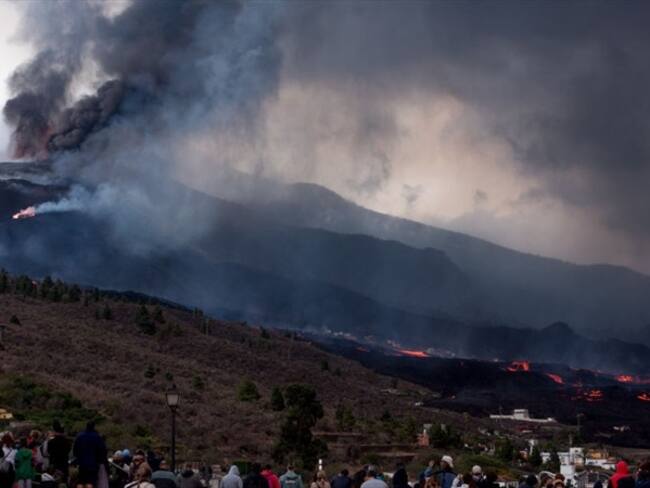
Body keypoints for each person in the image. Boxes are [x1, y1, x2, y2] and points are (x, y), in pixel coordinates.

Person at [73, 421, 108, 488]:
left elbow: (75, 451)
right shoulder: (97, 437)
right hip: (93, 464)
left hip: (82, 464)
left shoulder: (80, 437)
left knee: (81, 481)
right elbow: (102, 451)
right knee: (90, 482)